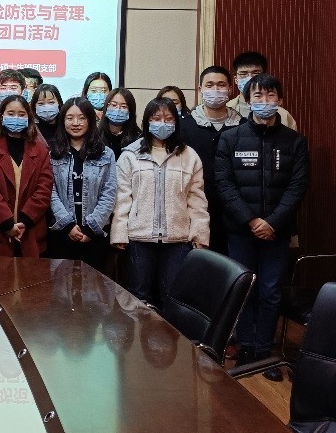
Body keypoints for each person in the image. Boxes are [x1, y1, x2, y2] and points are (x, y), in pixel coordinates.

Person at [216, 74, 309, 378]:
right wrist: (252, 220)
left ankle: (263, 351)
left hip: (276, 232)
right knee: (245, 289)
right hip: (241, 231)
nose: (265, 102)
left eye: (271, 96)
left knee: (270, 291)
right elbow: (224, 185)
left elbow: (297, 187)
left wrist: (272, 222)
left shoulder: (295, 142)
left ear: (280, 100)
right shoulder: (230, 138)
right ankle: (245, 347)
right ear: (247, 100)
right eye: (258, 96)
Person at [111, 97, 210, 309]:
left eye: (168, 118)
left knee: (173, 297)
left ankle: (171, 332)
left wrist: (200, 234)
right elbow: (122, 198)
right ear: (147, 121)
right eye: (156, 118)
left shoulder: (188, 155)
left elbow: (196, 199)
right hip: (139, 237)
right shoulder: (130, 155)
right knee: (137, 297)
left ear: (176, 122)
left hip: (177, 239)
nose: (162, 123)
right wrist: (119, 232)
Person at [0, 95, 54, 257]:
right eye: (11, 113)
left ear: (29, 118)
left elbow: (44, 189)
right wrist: (7, 223)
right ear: (1, 116)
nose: (16, 118)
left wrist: (25, 221)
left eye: (21, 114)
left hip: (31, 232)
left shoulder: (40, 150)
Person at [46, 97, 117, 269]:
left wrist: (92, 227)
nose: (76, 123)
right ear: (62, 121)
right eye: (70, 118)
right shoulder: (52, 152)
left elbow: (109, 192)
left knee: (93, 285)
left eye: (82, 118)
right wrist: (68, 225)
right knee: (61, 284)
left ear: (90, 120)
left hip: (95, 235)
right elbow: (50, 191)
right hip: (61, 234)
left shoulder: (105, 154)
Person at [179, 66, 242, 255]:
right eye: (210, 85)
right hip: (193, 211)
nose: (215, 90)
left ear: (230, 89)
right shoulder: (184, 127)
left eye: (221, 85)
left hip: (235, 214)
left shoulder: (243, 126)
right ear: (200, 89)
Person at [226, 51, 298, 129]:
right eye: (243, 74)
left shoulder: (284, 115)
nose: (250, 78)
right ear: (236, 79)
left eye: (256, 73)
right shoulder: (225, 110)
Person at [99, 87, 140, 159]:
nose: (118, 109)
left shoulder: (138, 138)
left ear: (130, 111)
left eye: (124, 106)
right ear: (106, 107)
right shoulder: (96, 135)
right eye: (114, 105)